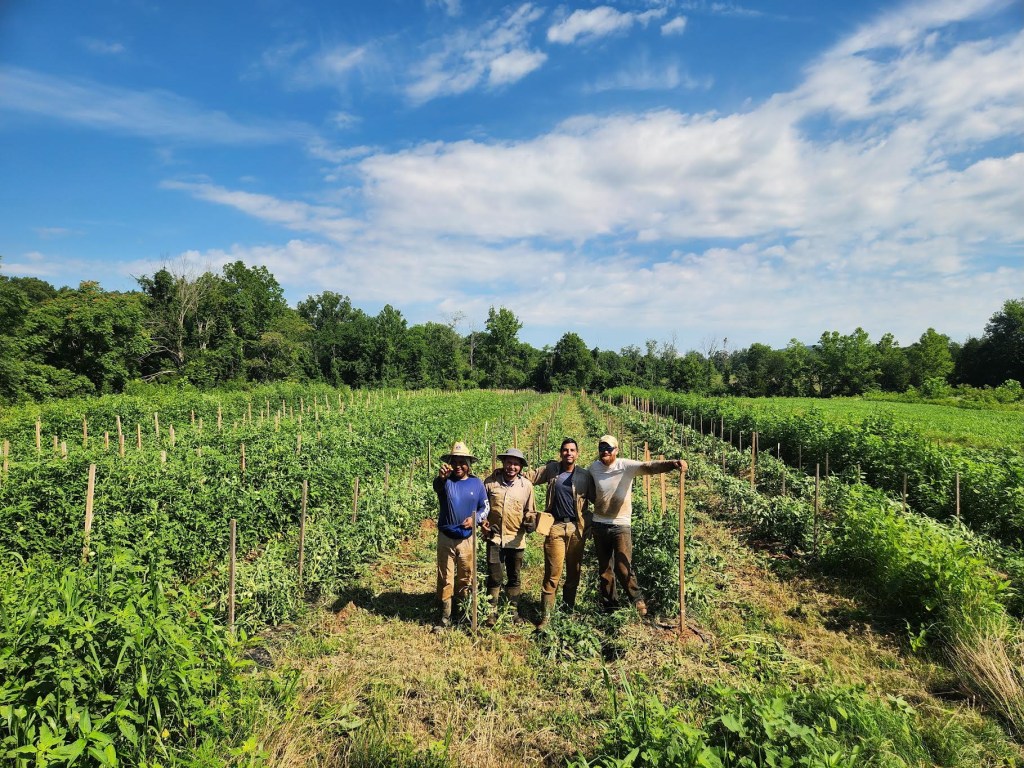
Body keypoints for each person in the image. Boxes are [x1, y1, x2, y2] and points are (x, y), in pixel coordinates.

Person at [587, 434, 686, 617]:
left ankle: (637, 599)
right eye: (602, 448)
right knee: (605, 569)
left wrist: (673, 463)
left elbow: (649, 467)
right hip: (599, 524)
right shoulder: (593, 468)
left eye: (609, 448)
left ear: (616, 450)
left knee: (623, 566)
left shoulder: (626, 466)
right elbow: (589, 491)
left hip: (621, 525)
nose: (605, 452)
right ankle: (611, 606)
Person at [527, 438, 595, 628]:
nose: (569, 453)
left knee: (574, 572)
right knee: (552, 573)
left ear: (577, 453)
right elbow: (528, 478)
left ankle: (567, 612)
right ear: (560, 452)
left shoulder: (585, 476)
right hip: (555, 527)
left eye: (572, 450)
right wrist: (505, 473)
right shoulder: (551, 470)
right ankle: (547, 617)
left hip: (576, 528)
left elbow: (598, 499)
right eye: (565, 450)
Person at [432, 441, 489, 629]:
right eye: (455, 461)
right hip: (446, 537)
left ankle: (463, 611)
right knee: (445, 576)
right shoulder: (445, 481)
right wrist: (441, 478)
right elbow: (437, 486)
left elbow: (485, 506)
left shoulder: (477, 483)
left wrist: (476, 519)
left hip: (467, 538)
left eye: (462, 462)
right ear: (449, 463)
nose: (458, 465)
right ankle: (445, 616)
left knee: (466, 575)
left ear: (468, 464)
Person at [481, 447, 537, 626]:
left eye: (515, 464)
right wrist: (483, 524)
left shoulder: (526, 486)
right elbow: (482, 508)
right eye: (508, 462)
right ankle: (491, 612)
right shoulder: (490, 483)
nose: (511, 467)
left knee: (514, 576)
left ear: (520, 467)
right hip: (494, 538)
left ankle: (513, 611)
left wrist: (530, 522)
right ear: (503, 463)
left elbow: (531, 511)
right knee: (495, 576)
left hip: (516, 540)